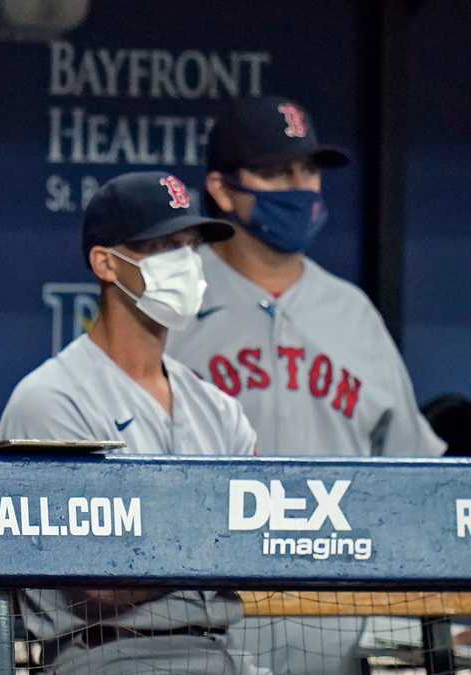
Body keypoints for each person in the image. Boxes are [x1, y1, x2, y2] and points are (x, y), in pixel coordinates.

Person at [166, 96, 445, 675]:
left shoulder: (351, 312)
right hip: (205, 612)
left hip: (338, 619)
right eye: (275, 171)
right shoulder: (173, 306)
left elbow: (421, 481)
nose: (299, 186)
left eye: (308, 170)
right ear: (220, 189)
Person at [0, 171, 260, 674]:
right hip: (105, 655)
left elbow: (258, 542)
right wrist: (218, 522)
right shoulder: (52, 400)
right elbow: (102, 584)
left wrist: (180, 532)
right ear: (106, 263)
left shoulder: (217, 407)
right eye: (162, 245)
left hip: (220, 651)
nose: (184, 261)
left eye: (190, 244)